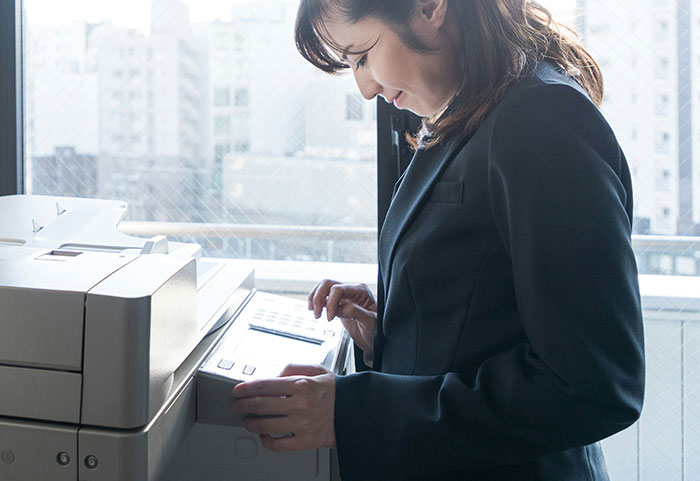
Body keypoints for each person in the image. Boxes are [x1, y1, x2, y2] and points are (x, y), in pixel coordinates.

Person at [231, 1, 646, 479]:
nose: (365, 88)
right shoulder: (468, 116)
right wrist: (393, 330)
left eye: (362, 56)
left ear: (430, 7)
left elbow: (591, 384)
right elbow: (489, 308)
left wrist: (352, 411)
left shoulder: (540, 118)